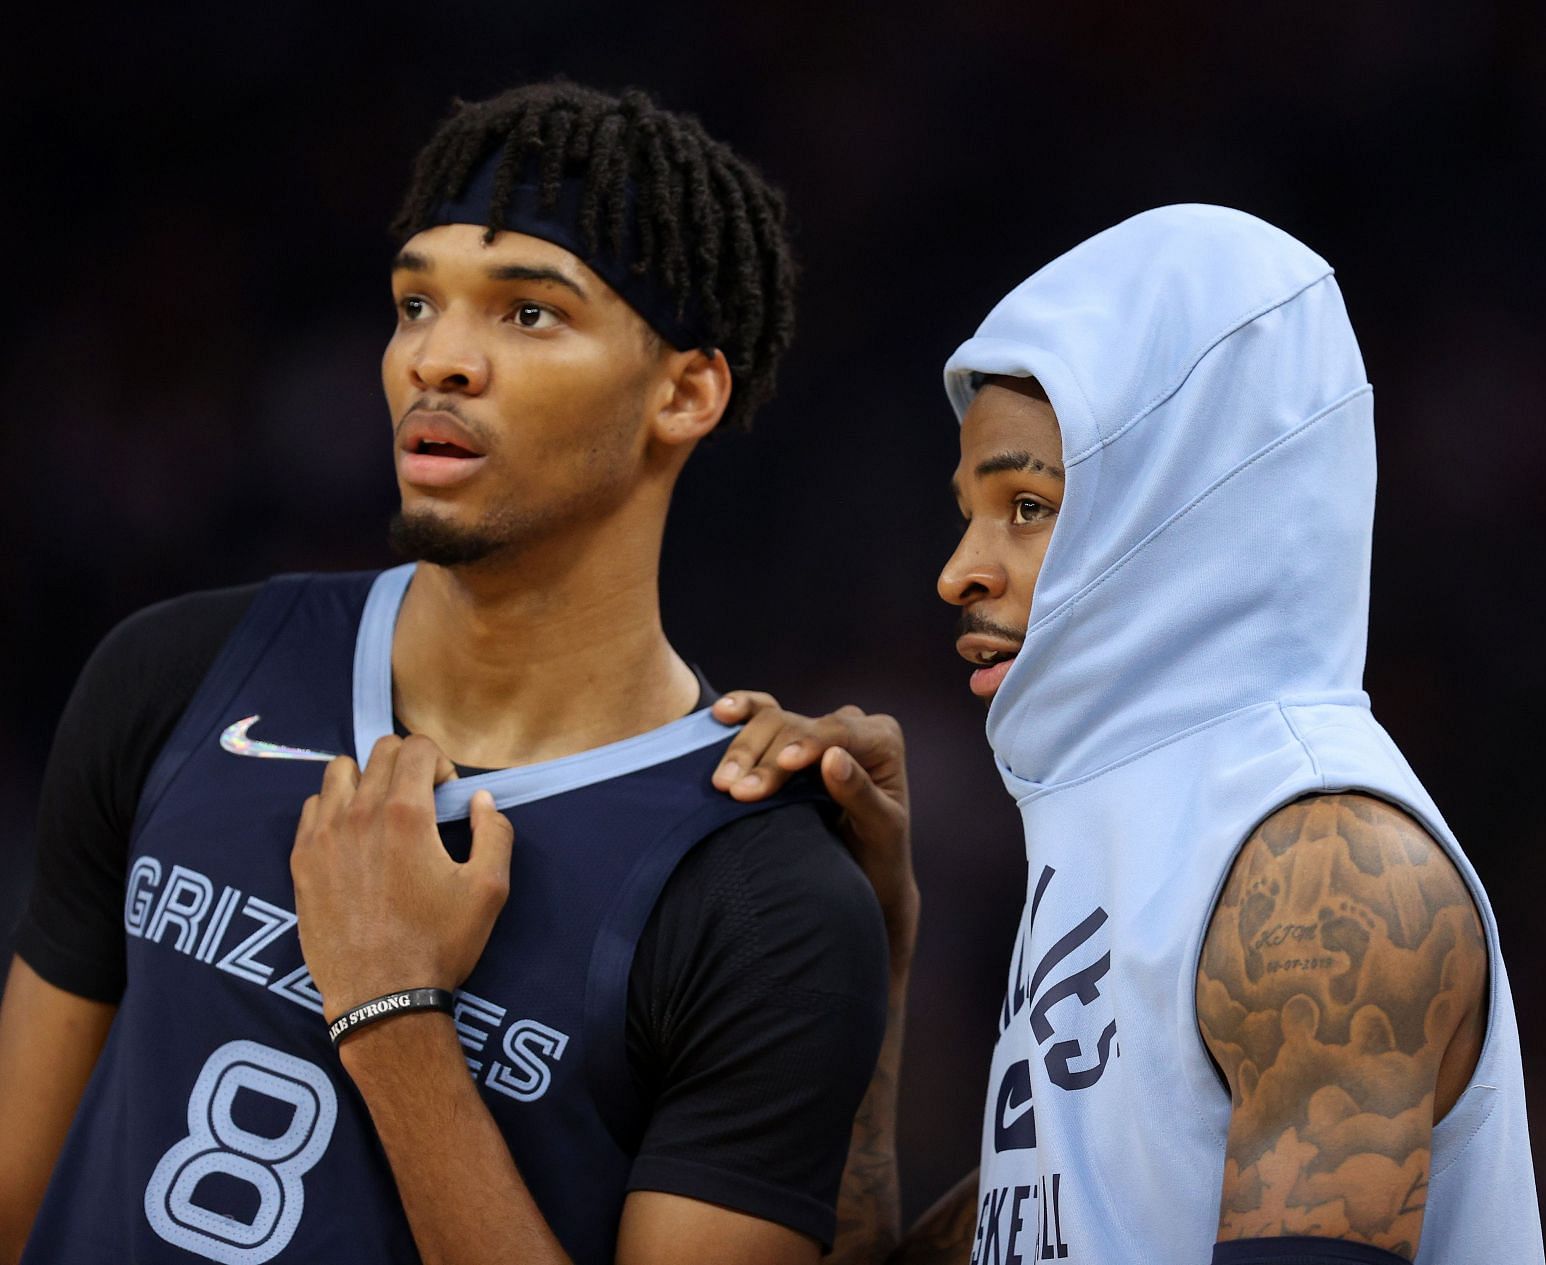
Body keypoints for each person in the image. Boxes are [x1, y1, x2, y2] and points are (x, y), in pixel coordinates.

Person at [0, 82, 891, 1265]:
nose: (439, 358)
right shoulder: (175, 669)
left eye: (528, 314)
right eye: (416, 301)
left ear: (685, 392)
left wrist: (393, 1015)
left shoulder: (766, 902)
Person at [714, 205, 1546, 1263]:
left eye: (1028, 504)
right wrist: (865, 939)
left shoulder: (1325, 865)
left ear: (1191, 506)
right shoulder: (1139, 837)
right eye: (969, 509)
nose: (958, 569)